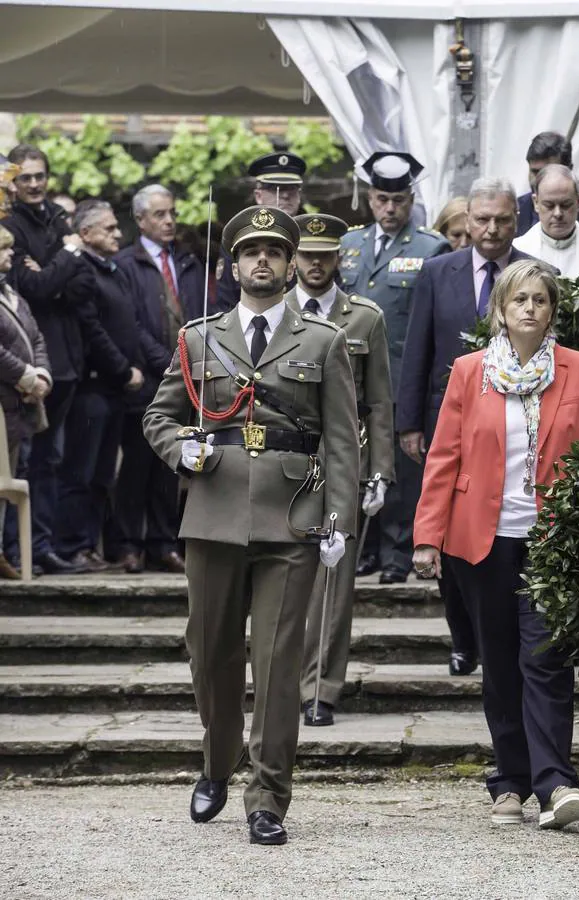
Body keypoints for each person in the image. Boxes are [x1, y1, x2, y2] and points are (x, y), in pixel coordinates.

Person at [142, 205, 359, 847]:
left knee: (277, 664)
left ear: (293, 265)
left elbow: (344, 442)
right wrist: (179, 448)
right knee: (209, 654)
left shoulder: (323, 341)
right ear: (231, 264)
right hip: (212, 513)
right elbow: (159, 416)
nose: (261, 260)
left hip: (291, 519)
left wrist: (338, 518)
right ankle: (216, 763)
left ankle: (268, 796)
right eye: (250, 251)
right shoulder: (198, 338)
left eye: (273, 251)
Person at [412, 259, 579, 830]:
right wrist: (427, 536)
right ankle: (510, 782)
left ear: (552, 312)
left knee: (545, 659)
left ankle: (556, 783)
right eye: (519, 299)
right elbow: (444, 455)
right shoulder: (471, 371)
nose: (529, 308)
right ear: (500, 309)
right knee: (499, 663)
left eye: (540, 300)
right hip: (481, 540)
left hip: (553, 537)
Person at [399, 176, 532, 677]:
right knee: (452, 541)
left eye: (502, 219)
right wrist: (409, 422)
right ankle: (464, 637)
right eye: (482, 219)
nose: (492, 229)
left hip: (517, 430)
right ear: (467, 220)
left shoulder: (534, 274)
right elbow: (418, 348)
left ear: (517, 220)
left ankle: (505, 635)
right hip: (447, 424)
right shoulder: (437, 271)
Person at [287, 213, 394, 728]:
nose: (315, 264)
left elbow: (379, 402)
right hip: (283, 463)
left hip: (343, 461)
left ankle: (321, 689)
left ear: (338, 258)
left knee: (334, 582)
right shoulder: (271, 313)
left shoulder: (364, 317)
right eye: (306, 255)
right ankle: (281, 680)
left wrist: (380, 472)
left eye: (324, 255)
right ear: (292, 260)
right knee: (282, 577)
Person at [0, 145, 120, 576]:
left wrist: (53, 272)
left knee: (55, 462)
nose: (34, 184)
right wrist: (66, 257)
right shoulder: (10, 224)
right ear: (13, 180)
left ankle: (45, 546)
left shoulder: (57, 217)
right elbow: (31, 289)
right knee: (30, 463)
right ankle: (23, 549)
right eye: (25, 177)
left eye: (40, 175)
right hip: (30, 361)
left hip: (65, 360)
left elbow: (77, 284)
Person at [338, 151, 450, 585]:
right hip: (349, 374)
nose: (390, 208)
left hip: (401, 375)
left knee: (401, 471)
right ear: (370, 198)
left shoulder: (429, 246)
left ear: (410, 199)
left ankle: (397, 553)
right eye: (383, 199)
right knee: (357, 464)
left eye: (398, 200)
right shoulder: (349, 245)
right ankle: (363, 550)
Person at [108, 184, 202, 574]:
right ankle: (130, 544)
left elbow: (199, 315)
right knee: (135, 466)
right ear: (141, 220)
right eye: (160, 215)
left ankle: (165, 542)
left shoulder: (188, 261)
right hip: (146, 377)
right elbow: (129, 324)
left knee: (172, 463)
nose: (169, 221)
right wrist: (167, 361)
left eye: (172, 214)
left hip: (186, 380)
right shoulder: (126, 263)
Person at [56, 200, 150, 572]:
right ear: (85, 235)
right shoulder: (83, 272)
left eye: (116, 227)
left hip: (114, 392)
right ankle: (73, 546)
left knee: (101, 475)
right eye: (109, 229)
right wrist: (123, 370)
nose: (118, 234)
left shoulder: (111, 270)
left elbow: (129, 322)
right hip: (94, 389)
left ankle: (89, 547)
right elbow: (92, 330)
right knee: (80, 472)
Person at [0, 223, 51, 580]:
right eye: (4, 250)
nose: (9, 256)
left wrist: (43, 375)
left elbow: (38, 340)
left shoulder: (15, 296)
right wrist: (25, 376)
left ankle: (4, 551)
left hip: (23, 406)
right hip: (4, 400)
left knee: (14, 475)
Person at [214, 152, 305, 310]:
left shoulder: (314, 235)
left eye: (291, 188)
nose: (284, 195)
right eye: (275, 188)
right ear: (258, 196)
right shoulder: (240, 236)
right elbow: (226, 300)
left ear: (299, 194)